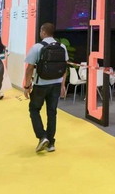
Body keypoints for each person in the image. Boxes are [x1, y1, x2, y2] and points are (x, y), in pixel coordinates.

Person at [23, 23, 68, 153]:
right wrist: (63, 85)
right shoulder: (62, 47)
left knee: (34, 109)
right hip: (56, 84)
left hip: (41, 84)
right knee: (52, 112)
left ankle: (42, 136)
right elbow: (64, 67)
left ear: (43, 32)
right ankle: (51, 143)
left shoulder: (37, 47)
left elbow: (29, 68)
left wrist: (27, 85)